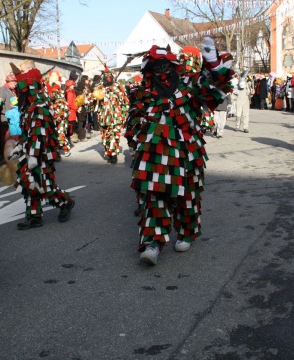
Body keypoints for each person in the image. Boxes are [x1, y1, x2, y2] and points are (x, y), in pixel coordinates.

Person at [124, 39, 234, 266]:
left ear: (175, 66)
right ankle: (153, 243)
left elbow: (215, 91)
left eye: (167, 67)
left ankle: (186, 231)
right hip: (153, 154)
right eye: (156, 68)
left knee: (187, 196)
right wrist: (140, 135)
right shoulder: (142, 93)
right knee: (153, 198)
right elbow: (132, 123)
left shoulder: (191, 84)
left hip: (187, 152)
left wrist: (213, 64)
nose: (162, 74)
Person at [8, 64, 75, 230]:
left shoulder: (40, 109)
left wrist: (34, 157)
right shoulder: (28, 109)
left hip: (41, 155)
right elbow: (28, 134)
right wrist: (19, 148)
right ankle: (34, 216)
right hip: (28, 154)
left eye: (21, 92)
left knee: (43, 184)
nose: (18, 96)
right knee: (28, 184)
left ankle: (65, 202)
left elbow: (40, 136)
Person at [96, 67, 129, 164]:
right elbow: (92, 101)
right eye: (106, 76)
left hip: (116, 117)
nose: (108, 78)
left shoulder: (119, 88)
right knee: (105, 136)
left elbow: (125, 103)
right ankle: (108, 152)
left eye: (109, 76)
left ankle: (114, 154)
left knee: (114, 135)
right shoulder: (99, 88)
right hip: (103, 117)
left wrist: (124, 115)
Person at [0, 73, 17, 142]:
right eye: (14, 81)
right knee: (6, 139)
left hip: (12, 118)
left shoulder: (12, 91)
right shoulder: (3, 89)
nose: (15, 83)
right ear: (9, 82)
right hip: (5, 118)